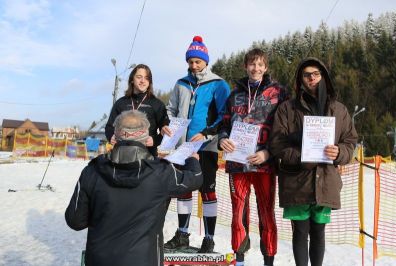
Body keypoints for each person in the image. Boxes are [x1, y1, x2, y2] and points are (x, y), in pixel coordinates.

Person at [65, 110, 203, 266]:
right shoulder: (160, 172)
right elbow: (195, 179)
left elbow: (75, 221)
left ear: (115, 136)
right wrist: (192, 160)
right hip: (144, 259)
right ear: (146, 137)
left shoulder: (92, 170)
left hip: (100, 258)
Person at [269, 58, 358, 266]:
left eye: (316, 74)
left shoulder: (339, 110)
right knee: (300, 232)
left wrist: (339, 152)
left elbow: (350, 141)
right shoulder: (287, 109)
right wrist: (301, 155)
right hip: (296, 180)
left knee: (318, 231)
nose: (312, 78)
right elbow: (276, 143)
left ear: (324, 77)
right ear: (300, 79)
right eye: (307, 74)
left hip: (325, 180)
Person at [218, 48, 289, 266]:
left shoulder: (278, 92)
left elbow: (285, 127)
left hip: (264, 164)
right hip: (237, 163)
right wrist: (222, 139)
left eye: (259, 64)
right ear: (245, 66)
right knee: (238, 211)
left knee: (266, 212)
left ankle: (269, 259)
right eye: (251, 64)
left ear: (265, 67)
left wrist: (268, 152)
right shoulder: (234, 94)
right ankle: (239, 259)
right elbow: (224, 124)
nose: (255, 68)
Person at [162, 36, 230, 253]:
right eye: (190, 61)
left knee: (207, 192)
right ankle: (182, 234)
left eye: (198, 61)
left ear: (206, 61)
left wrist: (206, 133)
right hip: (182, 147)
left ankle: (209, 239)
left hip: (206, 147)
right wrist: (168, 126)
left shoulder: (218, 84)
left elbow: (224, 116)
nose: (194, 65)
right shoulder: (181, 83)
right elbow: (170, 110)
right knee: (183, 190)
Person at [105, 64, 169, 156]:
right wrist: (111, 136)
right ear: (132, 79)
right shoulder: (121, 103)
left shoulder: (157, 104)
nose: (143, 81)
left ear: (149, 82)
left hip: (147, 156)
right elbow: (109, 127)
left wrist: (155, 140)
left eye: (146, 78)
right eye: (139, 77)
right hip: (121, 156)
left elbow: (166, 130)